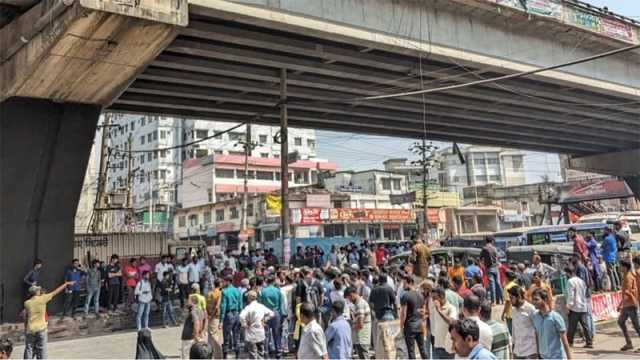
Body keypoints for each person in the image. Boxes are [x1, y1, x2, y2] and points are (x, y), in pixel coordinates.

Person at [23, 280, 75, 359]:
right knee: (42, 349)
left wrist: (25, 328)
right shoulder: (43, 299)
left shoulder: (27, 303)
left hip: (30, 329)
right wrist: (66, 284)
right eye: (38, 289)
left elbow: (26, 317)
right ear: (36, 292)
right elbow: (56, 292)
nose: (40, 290)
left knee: (29, 349)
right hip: (41, 329)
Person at [531, 288, 572, 360]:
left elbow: (565, 342)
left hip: (556, 357)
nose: (533, 302)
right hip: (543, 357)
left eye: (536, 299)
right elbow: (537, 336)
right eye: (533, 299)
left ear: (545, 300)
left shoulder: (555, 318)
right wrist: (538, 354)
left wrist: (569, 358)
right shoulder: (535, 317)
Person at [399, 276, 428, 360]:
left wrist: (401, 326)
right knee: (422, 349)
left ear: (410, 283)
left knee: (411, 351)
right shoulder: (421, 296)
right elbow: (423, 312)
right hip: (420, 326)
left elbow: (403, 313)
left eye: (404, 283)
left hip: (410, 327)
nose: (403, 286)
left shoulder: (405, 296)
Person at [240, 290, 274, 359]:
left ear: (249, 298)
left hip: (251, 333)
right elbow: (272, 314)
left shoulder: (248, 308)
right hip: (260, 332)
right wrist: (265, 320)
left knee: (253, 354)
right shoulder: (261, 306)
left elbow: (241, 316)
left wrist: (245, 324)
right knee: (261, 353)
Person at [564, 266, 592, 348]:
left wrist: (568, 307)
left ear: (568, 273)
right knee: (585, 326)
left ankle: (569, 342)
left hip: (575, 307)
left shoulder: (570, 281)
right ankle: (589, 342)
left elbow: (571, 296)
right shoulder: (581, 281)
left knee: (572, 327)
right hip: (583, 306)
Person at [258, 275, 285, 358]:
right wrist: (283, 315)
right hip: (275, 313)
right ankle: (278, 352)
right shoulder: (278, 291)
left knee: (266, 334)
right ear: (273, 281)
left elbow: (260, 303)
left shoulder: (262, 291)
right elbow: (281, 305)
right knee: (277, 334)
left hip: (265, 314)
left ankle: (266, 352)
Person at [508, 285, 538, 359]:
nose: (510, 300)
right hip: (517, 351)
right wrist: (513, 348)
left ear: (518, 297)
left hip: (530, 352)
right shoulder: (514, 310)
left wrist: (537, 351)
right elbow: (514, 330)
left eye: (512, 298)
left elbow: (538, 330)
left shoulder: (531, 309)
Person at [618, 259, 640, 351]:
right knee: (621, 322)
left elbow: (627, 292)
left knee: (637, 326)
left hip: (630, 304)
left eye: (621, 266)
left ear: (625, 267)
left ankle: (629, 343)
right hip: (627, 304)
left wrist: (620, 305)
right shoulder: (628, 275)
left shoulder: (628, 277)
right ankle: (629, 343)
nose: (619, 268)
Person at [429, 287, 457, 359]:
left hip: (447, 348)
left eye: (434, 297)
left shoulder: (451, 308)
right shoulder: (435, 307)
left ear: (441, 296)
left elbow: (451, 322)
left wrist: (439, 310)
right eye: (432, 297)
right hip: (437, 345)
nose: (432, 300)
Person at [345, 286, 372, 359]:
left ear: (352, 294)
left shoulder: (360, 304)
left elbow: (360, 324)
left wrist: (350, 328)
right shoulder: (358, 303)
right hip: (360, 337)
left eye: (349, 298)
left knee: (364, 357)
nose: (349, 300)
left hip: (362, 337)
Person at [220, 275, 242, 359]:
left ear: (228, 281)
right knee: (237, 335)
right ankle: (237, 356)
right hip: (237, 313)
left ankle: (225, 356)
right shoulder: (237, 291)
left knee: (226, 336)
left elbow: (223, 306)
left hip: (228, 314)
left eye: (224, 281)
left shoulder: (224, 291)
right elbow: (240, 305)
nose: (223, 283)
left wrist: (221, 320)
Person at [480, 236, 500, 304]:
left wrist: (484, 263)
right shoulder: (495, 248)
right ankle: (501, 300)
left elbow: (481, 258)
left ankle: (493, 301)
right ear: (492, 241)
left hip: (489, 268)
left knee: (492, 284)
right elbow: (498, 257)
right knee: (498, 283)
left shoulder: (484, 248)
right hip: (496, 267)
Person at [602, 226, 620, 291]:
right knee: (614, 271)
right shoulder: (613, 238)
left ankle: (614, 287)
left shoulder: (606, 239)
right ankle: (618, 285)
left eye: (604, 230)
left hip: (608, 257)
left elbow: (602, 246)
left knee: (610, 272)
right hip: (613, 257)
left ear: (607, 231)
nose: (603, 232)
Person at [501, 270, 518, 334]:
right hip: (516, 311)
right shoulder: (516, 285)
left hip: (510, 314)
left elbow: (508, 302)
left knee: (512, 333)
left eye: (505, 277)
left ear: (507, 278)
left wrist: (503, 314)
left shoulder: (507, 288)